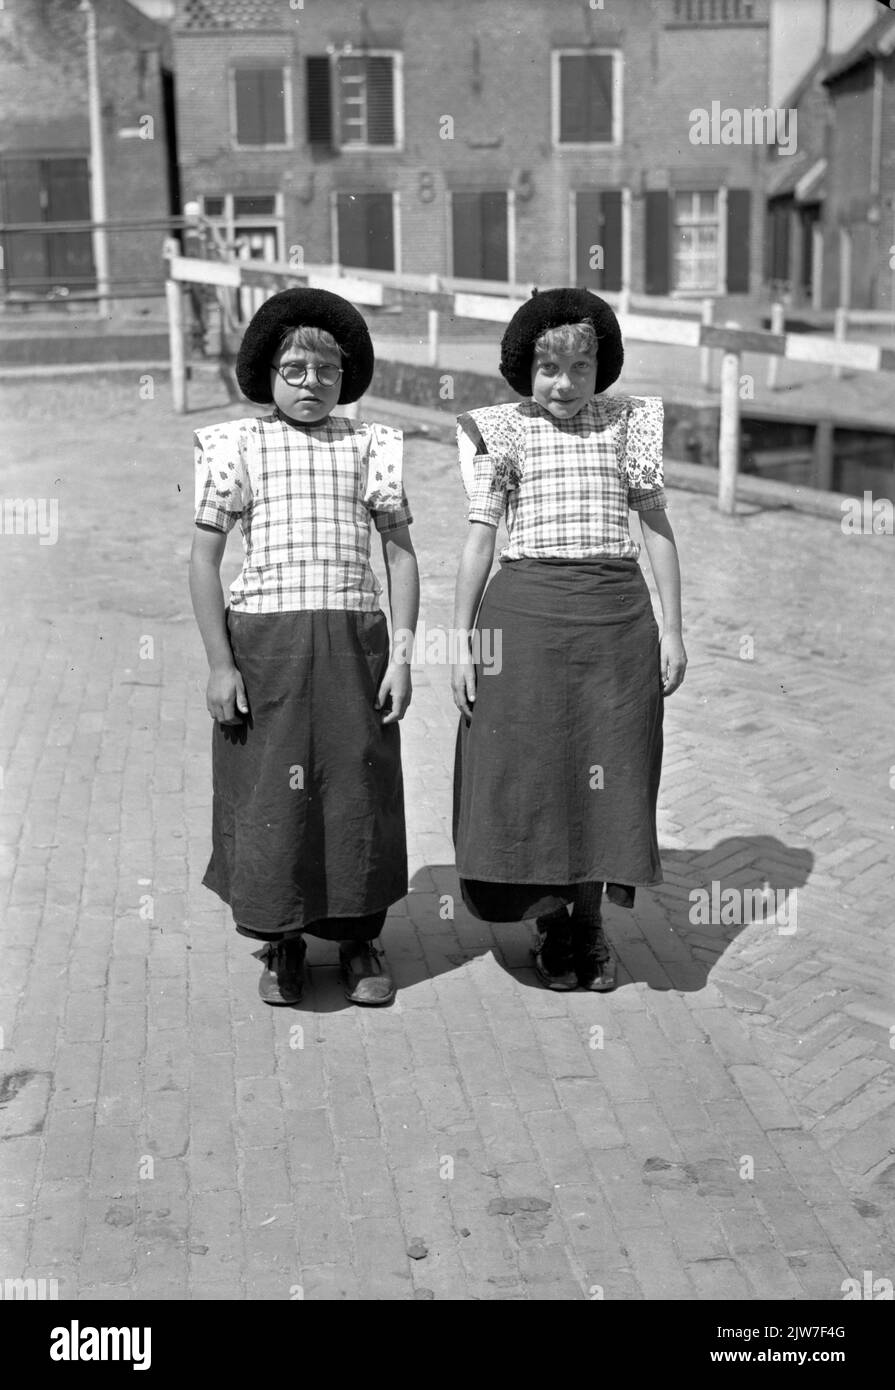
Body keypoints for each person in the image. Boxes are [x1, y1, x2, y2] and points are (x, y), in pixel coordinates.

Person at [451, 287, 687, 991]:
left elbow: (654, 527)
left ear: (599, 368)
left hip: (615, 622)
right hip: (525, 620)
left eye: (579, 368)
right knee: (535, 771)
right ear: (525, 367)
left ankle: (588, 924)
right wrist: (460, 642)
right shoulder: (500, 430)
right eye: (549, 369)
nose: (563, 385)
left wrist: (671, 629)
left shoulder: (631, 424)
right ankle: (550, 924)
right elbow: (478, 542)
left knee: (607, 770)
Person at [189, 288, 419, 1007]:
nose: (310, 384)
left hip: (355, 644)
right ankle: (281, 941)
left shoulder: (371, 446)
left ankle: (357, 939)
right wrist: (221, 664)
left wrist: (404, 656)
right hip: (268, 648)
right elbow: (203, 561)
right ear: (267, 375)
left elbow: (402, 558)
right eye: (293, 370)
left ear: (343, 377)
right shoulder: (236, 445)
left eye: (324, 371)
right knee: (270, 793)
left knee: (355, 787)